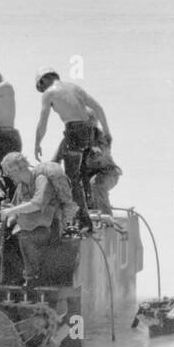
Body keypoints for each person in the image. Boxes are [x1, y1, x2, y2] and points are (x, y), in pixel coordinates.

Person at [33, 67, 112, 233]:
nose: (43, 91)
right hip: (87, 132)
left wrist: (37, 142)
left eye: (42, 87)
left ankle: (83, 221)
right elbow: (98, 108)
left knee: (71, 179)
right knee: (82, 175)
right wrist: (106, 131)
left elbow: (43, 121)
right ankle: (85, 212)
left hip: (74, 131)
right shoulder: (75, 87)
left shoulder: (50, 93)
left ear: (43, 81)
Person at [0, 152, 76, 286]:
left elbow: (37, 204)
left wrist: (11, 210)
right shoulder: (21, 186)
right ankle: (27, 275)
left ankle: (33, 277)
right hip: (31, 225)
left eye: (10, 173)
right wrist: (7, 221)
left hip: (51, 226)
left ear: (17, 169)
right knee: (6, 241)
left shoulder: (41, 179)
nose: (10, 177)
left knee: (27, 237)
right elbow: (16, 210)